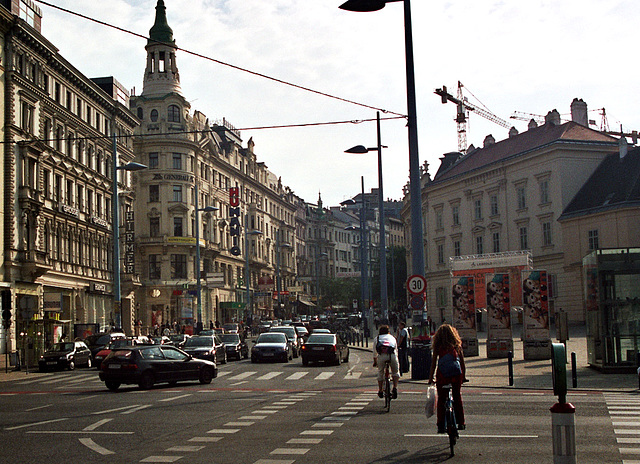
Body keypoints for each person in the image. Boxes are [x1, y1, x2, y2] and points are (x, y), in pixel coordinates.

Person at [428, 324, 466, 433]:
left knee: (442, 399)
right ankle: (461, 423)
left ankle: (441, 425)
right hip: (456, 374)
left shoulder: (438, 346)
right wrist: (463, 376)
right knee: (457, 396)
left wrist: (431, 378)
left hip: (442, 375)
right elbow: (462, 363)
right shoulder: (456, 345)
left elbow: (434, 364)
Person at [373, 325, 400, 399]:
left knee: (380, 372)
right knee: (395, 372)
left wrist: (375, 361)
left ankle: (380, 390)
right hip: (392, 356)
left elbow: (375, 352)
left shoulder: (377, 338)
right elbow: (396, 349)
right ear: (388, 332)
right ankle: (395, 387)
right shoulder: (392, 338)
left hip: (382, 356)